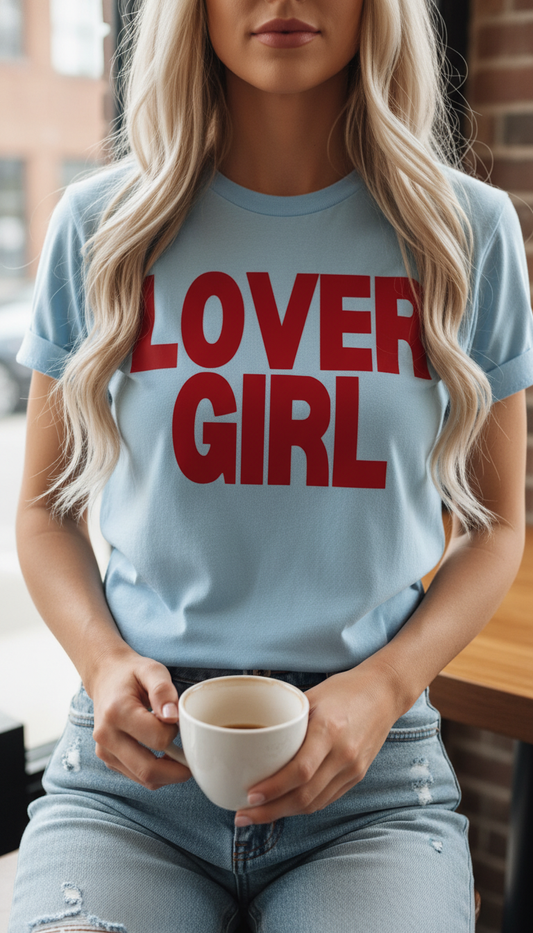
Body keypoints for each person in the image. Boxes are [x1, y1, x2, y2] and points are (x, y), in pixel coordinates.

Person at [8, 0, 533, 931]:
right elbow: (46, 511)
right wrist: (103, 660)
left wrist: (383, 685)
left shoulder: (471, 232)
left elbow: (497, 527)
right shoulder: (100, 225)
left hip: (368, 785)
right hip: (136, 781)